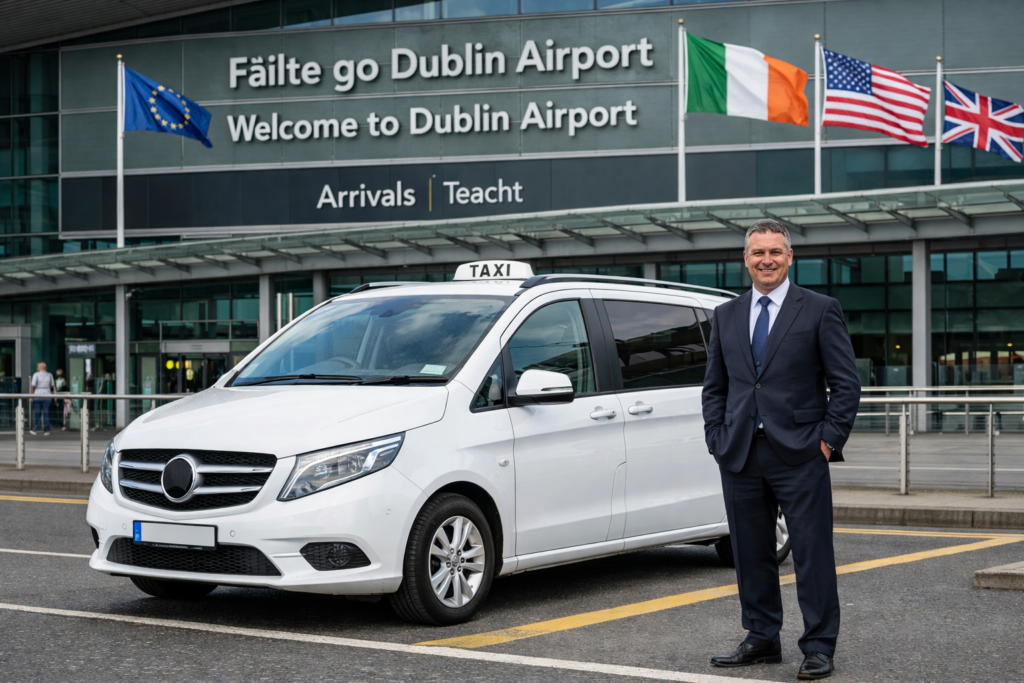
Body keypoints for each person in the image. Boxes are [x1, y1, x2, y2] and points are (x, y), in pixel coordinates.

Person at [702, 220, 860, 680]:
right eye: (757, 253)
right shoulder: (727, 315)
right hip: (740, 453)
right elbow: (716, 386)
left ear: (790, 258)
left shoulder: (819, 309)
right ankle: (761, 637)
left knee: (812, 553)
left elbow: (846, 385)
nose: (766, 259)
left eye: (775, 251)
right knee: (750, 552)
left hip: (802, 453)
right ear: (745, 259)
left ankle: (818, 645)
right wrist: (717, 436)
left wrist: (827, 442)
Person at [29, 361, 56, 436]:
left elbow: (32, 386)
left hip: (37, 395)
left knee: (37, 412)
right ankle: (46, 429)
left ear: (38, 367)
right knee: (46, 413)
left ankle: (35, 428)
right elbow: (53, 386)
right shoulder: (50, 375)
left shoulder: (36, 375)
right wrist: (55, 396)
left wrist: (31, 396)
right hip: (48, 395)